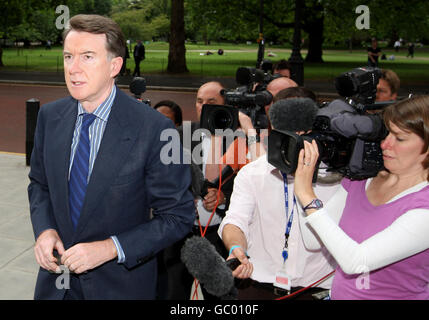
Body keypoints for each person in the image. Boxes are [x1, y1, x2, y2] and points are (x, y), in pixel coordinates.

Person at [28, 14, 195, 300]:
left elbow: (177, 217)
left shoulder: (154, 129)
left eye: (88, 57)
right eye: (69, 56)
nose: (73, 69)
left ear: (114, 65)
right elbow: (39, 184)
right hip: (55, 286)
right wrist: (45, 230)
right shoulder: (49, 116)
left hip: (120, 287)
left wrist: (110, 248)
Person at [293, 95, 429, 300]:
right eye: (386, 134)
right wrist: (300, 181)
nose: (385, 144)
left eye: (399, 138)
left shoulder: (423, 206)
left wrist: (307, 195)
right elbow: (313, 240)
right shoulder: (362, 181)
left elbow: (356, 262)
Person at [218, 95, 339, 300]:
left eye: (303, 135)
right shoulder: (253, 173)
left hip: (317, 291)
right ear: (273, 130)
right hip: (257, 287)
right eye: (287, 135)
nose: (296, 142)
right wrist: (237, 248)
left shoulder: (337, 178)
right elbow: (235, 221)